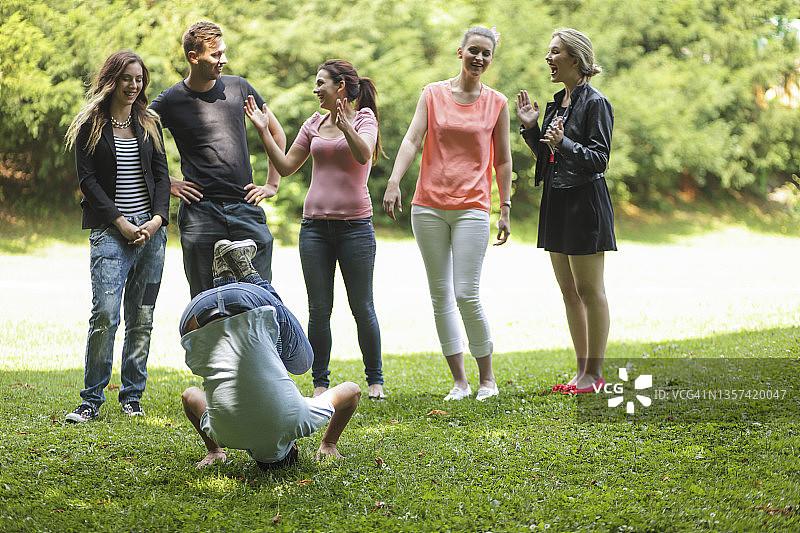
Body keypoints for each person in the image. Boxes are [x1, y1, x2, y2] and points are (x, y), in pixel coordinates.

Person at [382, 27, 512, 402]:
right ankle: (460, 382)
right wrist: (394, 180)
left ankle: (487, 380)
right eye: (474, 51)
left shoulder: (497, 103)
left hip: (472, 207)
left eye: (486, 54)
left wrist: (503, 207)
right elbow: (411, 139)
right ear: (460, 51)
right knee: (440, 295)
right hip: (428, 207)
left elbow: (503, 160)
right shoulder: (433, 93)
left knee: (466, 293)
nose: (479, 59)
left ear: (491, 58)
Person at [244, 59, 385, 399]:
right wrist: (264, 130)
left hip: (355, 228)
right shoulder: (313, 123)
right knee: (319, 308)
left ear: (341, 87)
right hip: (314, 230)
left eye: (321, 82)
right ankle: (320, 382)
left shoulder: (364, 118)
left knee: (361, 306)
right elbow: (287, 165)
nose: (315, 88)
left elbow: (364, 154)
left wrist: (345, 124)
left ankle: (375, 380)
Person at [180, 240, 361, 469]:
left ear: (293, 445)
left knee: (302, 362)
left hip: (248, 301)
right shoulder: (224, 434)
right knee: (244, 337)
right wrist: (216, 447)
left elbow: (353, 391)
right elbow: (189, 395)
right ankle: (223, 273)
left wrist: (329, 443)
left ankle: (246, 271)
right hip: (195, 314)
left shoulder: (300, 422)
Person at [64, 51, 170, 422]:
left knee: (142, 317)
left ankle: (132, 397)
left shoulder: (149, 122)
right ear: (112, 80)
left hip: (152, 234)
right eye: (127, 78)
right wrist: (120, 221)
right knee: (106, 315)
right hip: (111, 232)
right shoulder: (90, 124)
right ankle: (91, 400)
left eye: (139, 78)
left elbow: (162, 176)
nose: (134, 85)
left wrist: (157, 220)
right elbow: (87, 181)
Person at [150, 21, 287, 297]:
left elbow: (277, 133)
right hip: (201, 212)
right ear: (193, 57)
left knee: (260, 296)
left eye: (223, 52)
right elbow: (135, 140)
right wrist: (169, 182)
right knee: (206, 299)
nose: (224, 60)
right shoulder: (171, 100)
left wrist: (272, 184)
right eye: (216, 55)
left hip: (244, 205)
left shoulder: (239, 88)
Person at [515, 28, 615, 394]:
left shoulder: (596, 103)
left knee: (591, 291)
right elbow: (548, 158)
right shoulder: (558, 103)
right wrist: (531, 128)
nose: (548, 58)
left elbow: (599, 159)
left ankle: (595, 374)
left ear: (575, 58)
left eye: (554, 52)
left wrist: (566, 143)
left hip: (585, 201)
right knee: (569, 292)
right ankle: (580, 373)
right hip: (556, 200)